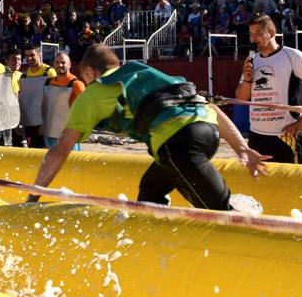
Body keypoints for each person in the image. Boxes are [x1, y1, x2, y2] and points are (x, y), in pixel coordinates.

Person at [32, 45, 268, 211]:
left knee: (220, 214)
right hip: (208, 132)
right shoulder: (140, 72)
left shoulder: (94, 91)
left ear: (90, 72)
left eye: (86, 76)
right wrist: (242, 149)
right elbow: (211, 108)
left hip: (178, 143)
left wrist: (33, 195)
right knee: (150, 192)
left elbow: (61, 149)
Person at [235, 15, 302, 165]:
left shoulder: (293, 56)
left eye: (258, 33)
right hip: (256, 135)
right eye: (251, 34)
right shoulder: (252, 61)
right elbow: (241, 98)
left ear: (271, 33)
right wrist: (246, 80)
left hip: (285, 135)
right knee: (260, 186)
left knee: (293, 185)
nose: (253, 38)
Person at [40, 52, 85, 150]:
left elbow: (85, 110)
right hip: (48, 133)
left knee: (70, 164)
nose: (59, 65)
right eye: (57, 62)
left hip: (67, 136)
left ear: (69, 64)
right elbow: (44, 106)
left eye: (63, 62)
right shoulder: (47, 82)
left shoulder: (77, 84)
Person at [17, 45, 57, 148]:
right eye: (26, 55)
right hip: (28, 124)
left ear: (39, 54)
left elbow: (53, 100)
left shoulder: (49, 72)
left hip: (44, 124)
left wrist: (46, 123)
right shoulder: (23, 76)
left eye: (32, 55)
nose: (29, 58)